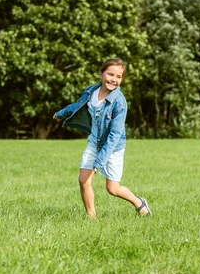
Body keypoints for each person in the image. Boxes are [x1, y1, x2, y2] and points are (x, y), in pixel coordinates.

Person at [53, 58, 151, 219]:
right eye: (110, 74)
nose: (114, 79)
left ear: (122, 80)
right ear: (101, 73)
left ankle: (139, 202)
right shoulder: (91, 91)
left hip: (113, 147)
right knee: (83, 179)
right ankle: (91, 218)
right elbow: (78, 105)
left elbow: (114, 136)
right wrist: (61, 113)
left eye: (118, 77)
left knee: (112, 188)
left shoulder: (119, 103)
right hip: (94, 142)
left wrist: (99, 162)